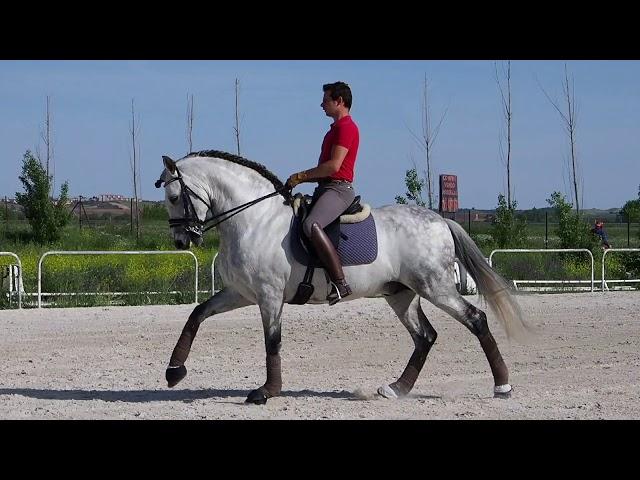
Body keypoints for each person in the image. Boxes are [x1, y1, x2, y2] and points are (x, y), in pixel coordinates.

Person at [285, 81, 359, 305]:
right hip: (326, 187)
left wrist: (300, 176)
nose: (321, 104)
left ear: (339, 102)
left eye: (325, 100)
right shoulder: (334, 130)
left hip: (339, 189)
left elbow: (333, 167)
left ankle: (340, 283)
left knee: (311, 225)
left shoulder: (347, 128)